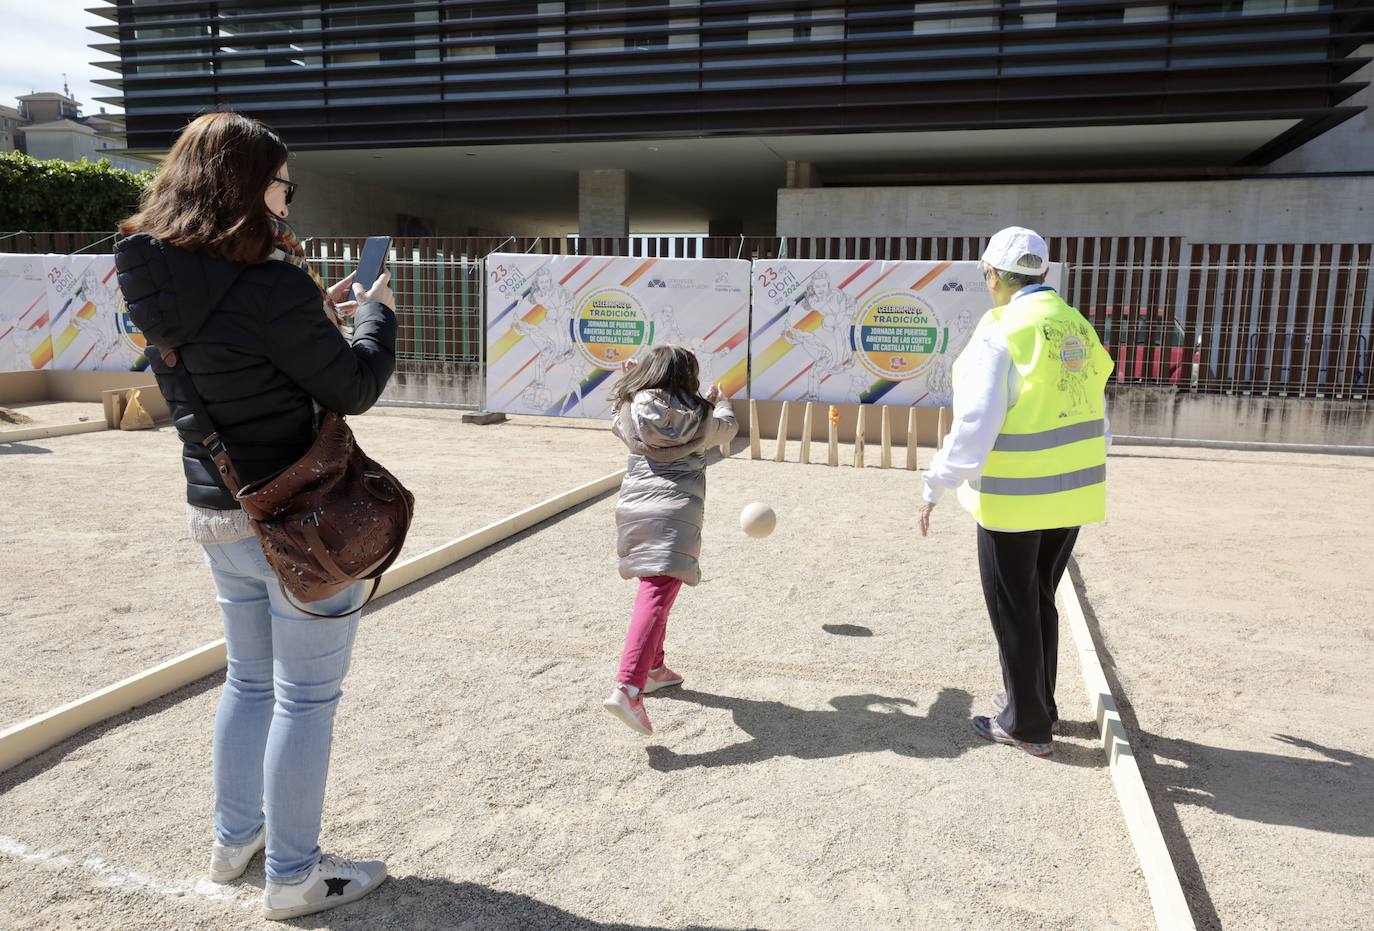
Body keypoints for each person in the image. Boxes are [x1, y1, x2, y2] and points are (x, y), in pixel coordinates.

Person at [113, 111, 397, 920]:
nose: (287, 196)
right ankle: (295, 876)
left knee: (247, 681)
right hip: (299, 516)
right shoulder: (270, 282)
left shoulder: (152, 271)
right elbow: (352, 389)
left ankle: (235, 840)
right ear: (247, 184)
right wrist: (373, 315)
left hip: (218, 507)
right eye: (282, 180)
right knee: (304, 698)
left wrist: (319, 314)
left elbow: (233, 352)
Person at [918, 227, 1112, 758]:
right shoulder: (1076, 325)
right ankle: (1040, 706)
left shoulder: (1002, 328)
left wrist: (937, 482)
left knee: (1013, 607)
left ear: (995, 275)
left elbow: (976, 420)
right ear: (1044, 273)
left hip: (1014, 498)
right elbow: (1097, 411)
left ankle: (1026, 723)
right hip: (1072, 493)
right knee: (1039, 598)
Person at [603, 345, 738, 735]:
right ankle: (629, 686)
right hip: (676, 514)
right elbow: (728, 429)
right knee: (657, 593)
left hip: (635, 510)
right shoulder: (702, 415)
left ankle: (655, 669)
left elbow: (617, 416)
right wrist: (721, 402)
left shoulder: (631, 409)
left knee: (655, 587)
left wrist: (628, 383)